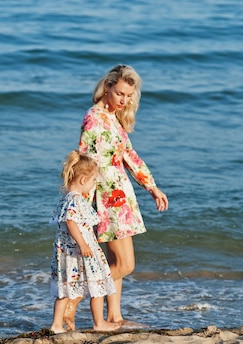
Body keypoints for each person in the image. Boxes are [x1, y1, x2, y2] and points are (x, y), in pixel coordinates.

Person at [64, 64, 169, 328]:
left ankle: (114, 317)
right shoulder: (94, 117)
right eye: (120, 93)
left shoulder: (113, 117)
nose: (124, 100)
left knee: (115, 262)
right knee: (125, 264)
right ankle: (72, 301)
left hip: (121, 195)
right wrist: (81, 202)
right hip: (106, 197)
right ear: (108, 86)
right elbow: (85, 163)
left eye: (128, 95)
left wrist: (152, 186)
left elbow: (129, 156)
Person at [49, 150, 121, 334]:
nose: (94, 184)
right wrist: (83, 244)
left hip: (69, 253)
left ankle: (56, 325)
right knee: (97, 285)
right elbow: (71, 221)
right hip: (80, 251)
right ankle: (99, 323)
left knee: (65, 290)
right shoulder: (76, 200)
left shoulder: (67, 199)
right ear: (82, 180)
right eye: (93, 180)